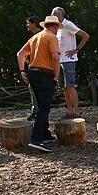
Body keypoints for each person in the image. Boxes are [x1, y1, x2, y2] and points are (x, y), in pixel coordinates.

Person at [17, 15, 62, 153]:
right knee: (44, 107)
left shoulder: (35, 37)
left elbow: (20, 54)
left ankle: (44, 134)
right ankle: (36, 139)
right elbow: (55, 57)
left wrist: (22, 70)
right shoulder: (51, 37)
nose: (57, 31)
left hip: (33, 73)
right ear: (54, 27)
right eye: (57, 28)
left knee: (41, 104)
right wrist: (56, 76)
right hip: (45, 74)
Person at [51, 7, 90, 119]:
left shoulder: (68, 25)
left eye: (54, 14)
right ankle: (70, 112)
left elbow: (85, 36)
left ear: (60, 15)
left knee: (70, 86)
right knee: (64, 87)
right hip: (60, 60)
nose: (53, 17)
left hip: (69, 60)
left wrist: (76, 50)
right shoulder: (58, 28)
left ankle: (76, 112)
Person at [25, 16, 43, 121]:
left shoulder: (41, 35)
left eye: (28, 23)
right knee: (32, 89)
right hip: (33, 68)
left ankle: (39, 112)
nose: (27, 25)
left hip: (41, 69)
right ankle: (35, 111)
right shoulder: (32, 37)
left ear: (34, 23)